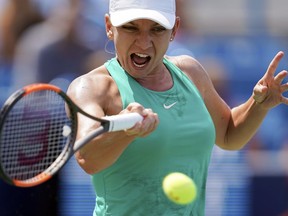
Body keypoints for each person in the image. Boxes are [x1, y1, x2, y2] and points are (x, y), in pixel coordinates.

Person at [66, 0, 288, 215]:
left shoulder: (190, 72)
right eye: (130, 28)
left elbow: (229, 135)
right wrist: (127, 132)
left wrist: (258, 105)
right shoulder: (90, 88)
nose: (143, 42)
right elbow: (87, 158)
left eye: (157, 29)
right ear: (109, 27)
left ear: (174, 30)